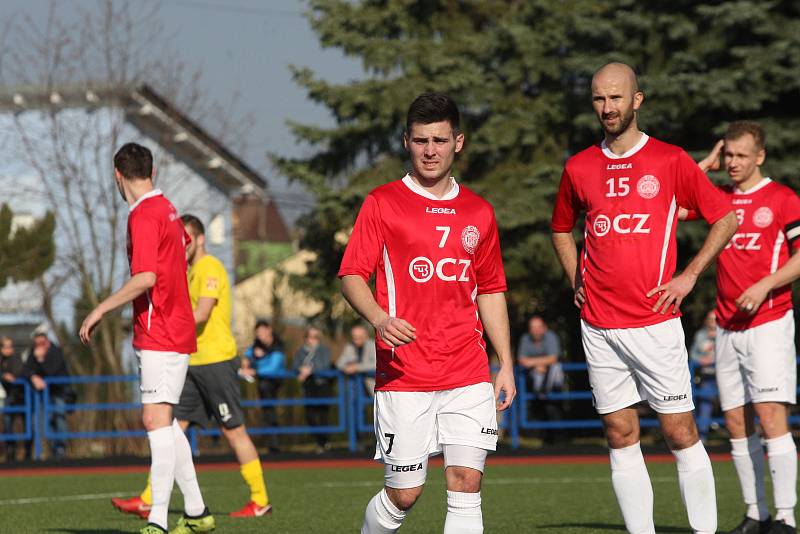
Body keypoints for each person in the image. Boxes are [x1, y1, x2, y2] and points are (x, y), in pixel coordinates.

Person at [550, 62, 738, 534]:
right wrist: (578, 279)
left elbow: (725, 217)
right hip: (598, 325)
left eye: (616, 97)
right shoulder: (578, 166)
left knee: (679, 431)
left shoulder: (670, 160)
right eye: (598, 98)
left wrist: (689, 275)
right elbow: (560, 229)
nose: (607, 107)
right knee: (619, 432)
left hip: (655, 323)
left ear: (637, 100)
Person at [339, 92, 516, 534]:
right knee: (405, 494)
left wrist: (506, 364)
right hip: (405, 374)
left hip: (467, 369)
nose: (430, 150)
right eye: (421, 141)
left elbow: (491, 290)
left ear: (458, 141)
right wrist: (380, 318)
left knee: (465, 482)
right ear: (406, 142)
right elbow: (351, 276)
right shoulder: (382, 202)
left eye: (439, 140)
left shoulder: (479, 212)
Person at [79, 143, 213, 534]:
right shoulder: (168, 209)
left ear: (118, 175)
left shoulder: (142, 214)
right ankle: (197, 512)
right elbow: (183, 248)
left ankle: (157, 519)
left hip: (159, 330)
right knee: (165, 422)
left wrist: (101, 308)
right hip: (177, 326)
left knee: (154, 421)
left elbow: (146, 277)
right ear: (150, 172)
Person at [111, 214, 273, 520]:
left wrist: (160, 323)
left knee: (233, 431)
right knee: (170, 428)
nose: (182, 244)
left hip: (215, 362)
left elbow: (200, 313)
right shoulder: (188, 272)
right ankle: (148, 498)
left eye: (187, 238)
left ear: (200, 239)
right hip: (191, 361)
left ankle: (260, 499)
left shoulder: (210, 267)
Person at [693, 121, 800, 534]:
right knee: (736, 423)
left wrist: (765, 283)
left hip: (769, 324)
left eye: (742, 155)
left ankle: (787, 517)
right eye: (729, 155)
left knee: (772, 417)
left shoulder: (782, 198)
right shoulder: (719, 199)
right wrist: (705, 165)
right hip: (727, 327)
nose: (734, 163)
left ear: (760, 156)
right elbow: (672, 204)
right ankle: (756, 513)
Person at [24, 329, 72, 459]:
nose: (39, 346)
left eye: (42, 342)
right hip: (41, 394)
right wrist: (33, 376)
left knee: (59, 419)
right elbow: (26, 370)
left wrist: (40, 359)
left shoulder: (56, 351)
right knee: (41, 421)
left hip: (58, 392)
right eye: (37, 343)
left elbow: (52, 372)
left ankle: (61, 448)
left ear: (46, 341)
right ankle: (49, 450)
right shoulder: (32, 353)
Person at [516, 316, 564, 441]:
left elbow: (553, 359)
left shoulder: (551, 336)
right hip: (534, 379)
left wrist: (535, 363)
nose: (536, 330)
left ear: (544, 328)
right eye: (533, 327)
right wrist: (539, 364)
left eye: (538, 327)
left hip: (553, 382)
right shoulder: (525, 339)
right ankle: (542, 391)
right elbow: (522, 361)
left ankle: (543, 391)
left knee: (555, 369)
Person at [242, 319, 285, 453]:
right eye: (257, 333)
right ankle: (272, 444)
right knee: (266, 412)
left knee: (270, 411)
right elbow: (247, 355)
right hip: (262, 383)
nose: (259, 335)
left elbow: (273, 368)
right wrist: (245, 363)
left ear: (269, 330)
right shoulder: (256, 345)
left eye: (262, 332)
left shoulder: (278, 345)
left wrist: (254, 371)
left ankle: (274, 443)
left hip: (274, 383)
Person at [292, 326, 333, 453]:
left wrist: (310, 370)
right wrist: (301, 369)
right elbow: (295, 366)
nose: (313, 340)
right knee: (310, 414)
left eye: (316, 337)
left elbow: (324, 365)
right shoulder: (300, 351)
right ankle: (318, 440)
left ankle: (324, 442)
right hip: (308, 386)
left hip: (322, 385)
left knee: (323, 414)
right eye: (310, 337)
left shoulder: (323, 350)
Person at [688, 310, 717, 443]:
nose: (713, 322)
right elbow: (693, 354)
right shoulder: (700, 335)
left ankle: (703, 434)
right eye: (710, 319)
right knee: (697, 403)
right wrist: (701, 360)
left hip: (719, 377)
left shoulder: (724, 335)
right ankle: (697, 435)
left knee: (706, 400)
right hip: (703, 376)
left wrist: (714, 359)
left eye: (715, 319)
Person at [1, 336, 29, 461]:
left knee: (23, 424)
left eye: (10, 346)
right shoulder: (1, 360)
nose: (9, 349)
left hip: (19, 395)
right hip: (8, 397)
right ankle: (9, 450)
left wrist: (9, 377)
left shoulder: (16, 358)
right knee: (7, 424)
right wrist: (3, 375)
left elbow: (17, 374)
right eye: (6, 346)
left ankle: (24, 451)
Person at [337, 324, 377, 396]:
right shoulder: (349, 347)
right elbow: (339, 363)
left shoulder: (373, 345)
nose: (356, 339)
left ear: (366, 336)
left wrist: (357, 367)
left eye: (359, 337)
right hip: (354, 386)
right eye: (354, 337)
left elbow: (376, 364)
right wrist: (347, 367)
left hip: (372, 383)